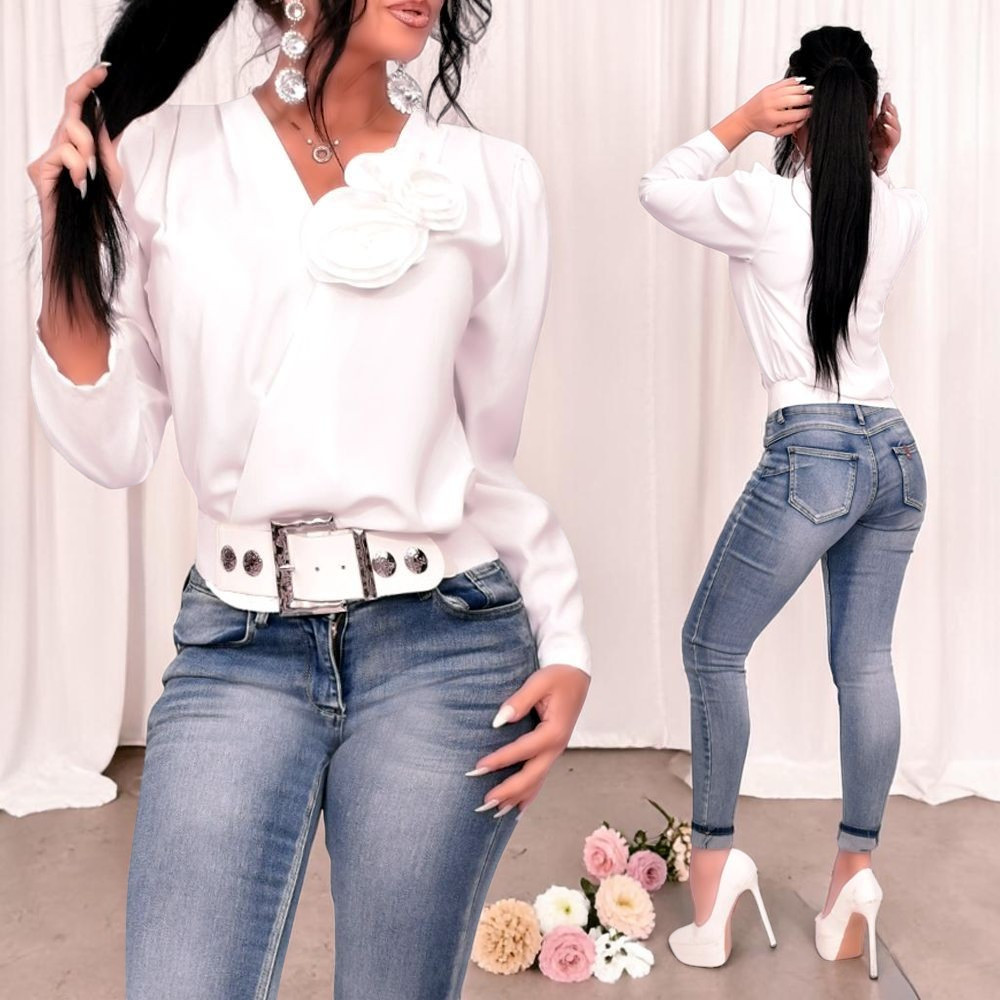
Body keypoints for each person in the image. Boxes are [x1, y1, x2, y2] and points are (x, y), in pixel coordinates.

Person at [26, 1, 591, 997]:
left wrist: (567, 639)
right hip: (238, 641)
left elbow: (486, 456)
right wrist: (68, 230)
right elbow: (112, 447)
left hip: (447, 644)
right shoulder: (163, 155)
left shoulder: (489, 179)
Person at [638, 25, 927, 978]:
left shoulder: (762, 202)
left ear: (795, 105)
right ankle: (856, 874)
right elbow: (853, 221)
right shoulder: (898, 210)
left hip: (815, 451)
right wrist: (875, 166)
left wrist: (741, 120)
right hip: (895, 454)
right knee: (866, 661)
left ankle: (715, 877)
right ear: (871, 114)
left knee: (710, 647)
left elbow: (659, 186)